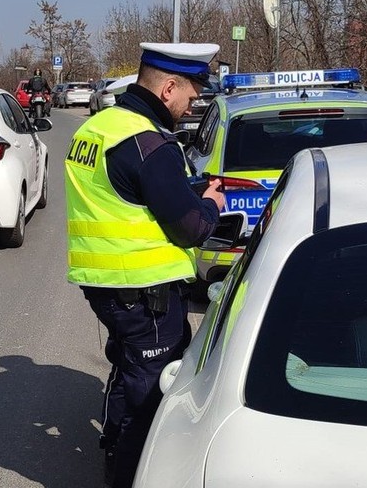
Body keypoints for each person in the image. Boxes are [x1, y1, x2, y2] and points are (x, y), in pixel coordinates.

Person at [64, 42, 227, 487]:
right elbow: (192, 228)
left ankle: (113, 451)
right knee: (148, 396)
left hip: (107, 284)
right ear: (169, 87)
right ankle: (129, 474)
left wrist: (182, 185)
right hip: (145, 293)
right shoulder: (149, 142)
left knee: (130, 369)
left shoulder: (100, 128)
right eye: (191, 98)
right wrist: (210, 203)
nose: (191, 107)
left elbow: (125, 193)